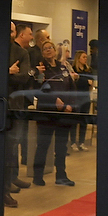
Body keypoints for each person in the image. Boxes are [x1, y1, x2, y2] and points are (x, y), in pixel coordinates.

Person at [31, 41, 77, 186]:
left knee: (62, 146)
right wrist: (54, 100)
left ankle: (61, 175)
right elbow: (38, 90)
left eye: (50, 48)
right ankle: (37, 176)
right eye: (45, 49)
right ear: (42, 53)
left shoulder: (63, 67)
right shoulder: (40, 69)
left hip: (64, 113)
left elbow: (72, 88)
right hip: (47, 112)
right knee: (43, 145)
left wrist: (70, 104)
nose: (48, 50)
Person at [7, 22, 33, 187]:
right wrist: (7, 71)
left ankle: (10, 181)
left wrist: (1, 74)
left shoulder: (21, 53)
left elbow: (23, 77)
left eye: (12, 31)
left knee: (12, 144)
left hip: (15, 105)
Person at [70, 48, 93, 149]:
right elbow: (76, 80)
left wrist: (83, 80)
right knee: (75, 120)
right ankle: (73, 141)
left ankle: (82, 142)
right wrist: (84, 80)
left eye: (86, 57)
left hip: (86, 96)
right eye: (83, 57)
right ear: (78, 58)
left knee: (84, 119)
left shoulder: (88, 70)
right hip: (76, 96)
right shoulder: (73, 69)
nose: (85, 59)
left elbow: (91, 81)